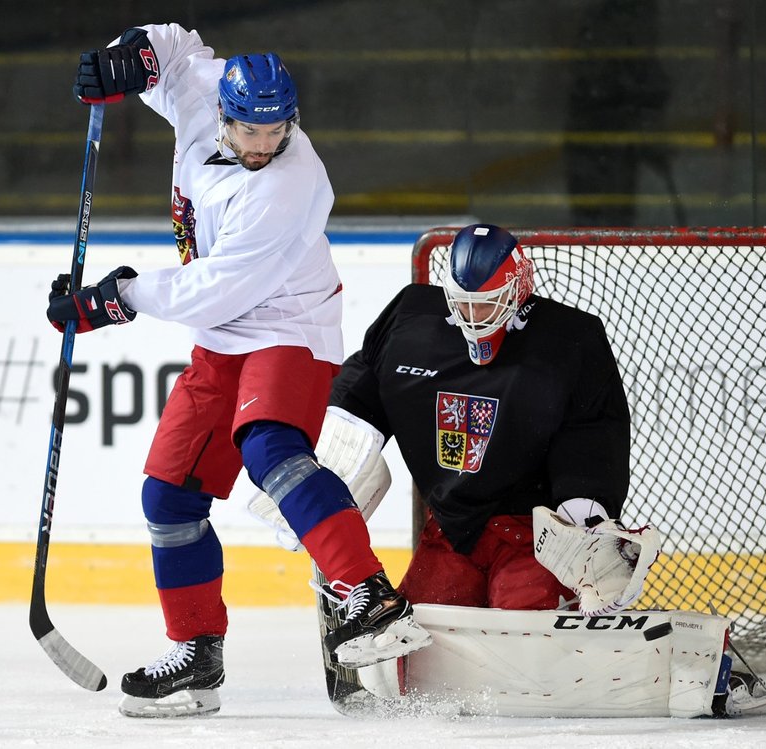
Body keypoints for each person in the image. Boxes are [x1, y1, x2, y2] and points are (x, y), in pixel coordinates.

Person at [45, 23, 429, 718]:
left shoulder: (291, 183)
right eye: (250, 131)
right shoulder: (202, 96)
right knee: (168, 497)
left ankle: (368, 591)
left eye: (275, 130)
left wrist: (117, 298)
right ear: (224, 116)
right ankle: (197, 657)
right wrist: (129, 58)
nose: (262, 145)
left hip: (289, 327)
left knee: (270, 445)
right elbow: (178, 49)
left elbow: (219, 286)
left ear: (292, 122)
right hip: (221, 341)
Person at [327, 223, 635, 611]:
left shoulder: (570, 341)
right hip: (454, 530)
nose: (473, 316)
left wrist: (585, 521)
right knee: (421, 646)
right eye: (463, 302)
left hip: (535, 532)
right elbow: (366, 378)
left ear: (520, 289)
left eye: (488, 302)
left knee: (526, 633)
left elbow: (591, 431)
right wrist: (333, 447)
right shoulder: (411, 322)